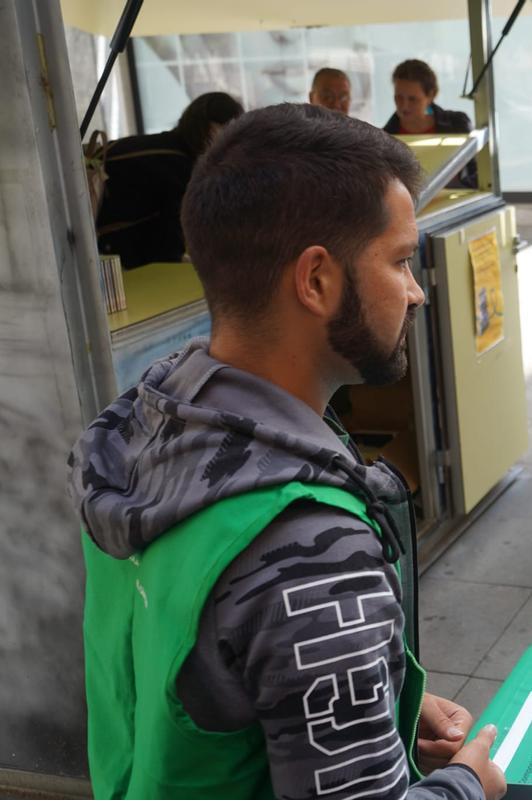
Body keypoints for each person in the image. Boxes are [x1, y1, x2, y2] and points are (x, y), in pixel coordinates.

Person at [69, 104, 506, 800]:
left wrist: (371, 684)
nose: (418, 291)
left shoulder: (140, 432)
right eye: (399, 261)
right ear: (316, 280)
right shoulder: (312, 552)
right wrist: (467, 785)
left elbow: (214, 665)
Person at [95, 92, 243, 269]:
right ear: (210, 129)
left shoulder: (166, 147)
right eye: (229, 133)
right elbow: (168, 246)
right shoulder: (179, 167)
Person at [383, 59, 471, 135]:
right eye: (399, 97)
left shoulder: (458, 124)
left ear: (431, 95)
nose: (404, 106)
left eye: (412, 99)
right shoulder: (383, 138)